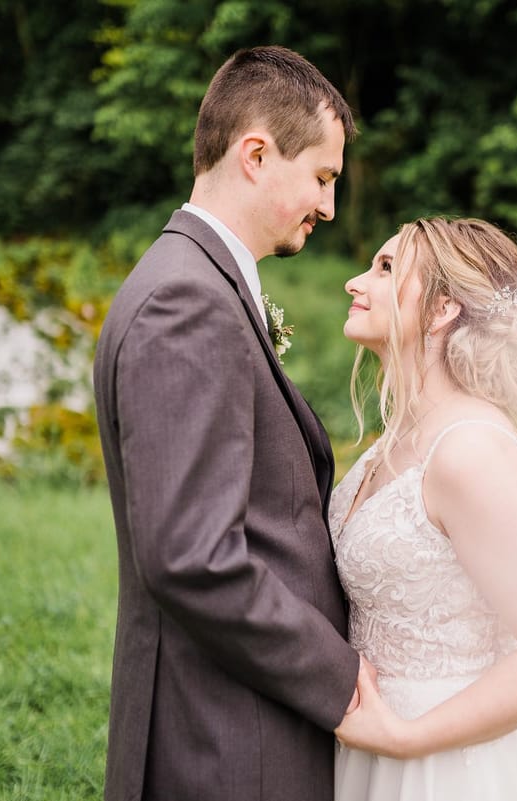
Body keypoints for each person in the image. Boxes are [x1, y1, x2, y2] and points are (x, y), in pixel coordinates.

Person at [93, 45, 371, 801]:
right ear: (256, 154)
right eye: (322, 177)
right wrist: (340, 678)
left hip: (226, 723)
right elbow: (192, 554)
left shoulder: (194, 284)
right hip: (220, 744)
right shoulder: (186, 303)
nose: (329, 207)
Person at [330, 217, 517, 800]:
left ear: (441, 309)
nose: (356, 282)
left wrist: (407, 739)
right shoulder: (395, 439)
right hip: (373, 746)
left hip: (451, 765)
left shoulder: (471, 450)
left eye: (384, 269)